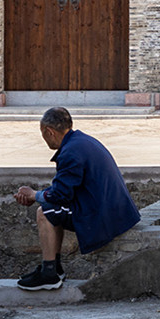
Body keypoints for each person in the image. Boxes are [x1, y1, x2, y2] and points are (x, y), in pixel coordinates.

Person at [13, 106, 141, 291]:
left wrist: (34, 195)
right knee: (52, 208)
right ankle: (54, 269)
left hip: (104, 216)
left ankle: (50, 273)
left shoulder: (70, 152)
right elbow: (64, 189)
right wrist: (39, 195)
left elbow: (60, 195)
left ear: (49, 132)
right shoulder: (80, 141)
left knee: (45, 212)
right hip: (114, 210)